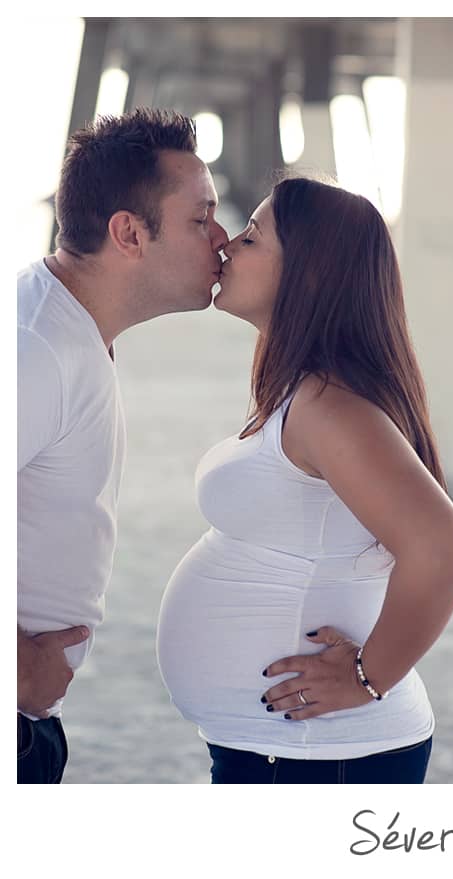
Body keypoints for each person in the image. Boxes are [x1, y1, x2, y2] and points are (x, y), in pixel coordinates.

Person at [156, 176, 453, 784]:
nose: (227, 246)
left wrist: (367, 678)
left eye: (251, 238)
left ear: (310, 273)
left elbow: (442, 552)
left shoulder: (331, 407)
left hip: (316, 753)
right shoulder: (304, 393)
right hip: (289, 746)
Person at [17, 109, 228, 783]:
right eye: (201, 219)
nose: (222, 240)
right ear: (129, 232)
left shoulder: (64, 327)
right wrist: (18, 667)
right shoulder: (35, 349)